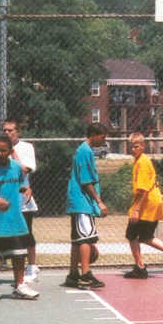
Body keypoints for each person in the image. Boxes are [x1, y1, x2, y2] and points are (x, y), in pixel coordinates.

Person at [0, 118, 41, 286]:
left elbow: (24, 171)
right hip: (0, 204)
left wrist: (13, 155)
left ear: (18, 132)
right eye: (4, 130)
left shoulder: (26, 148)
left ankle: (31, 268)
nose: (7, 133)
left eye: (11, 130)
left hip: (21, 201)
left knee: (25, 237)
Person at [123, 132, 163, 279]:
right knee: (145, 236)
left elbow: (144, 189)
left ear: (143, 146)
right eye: (131, 146)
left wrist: (136, 209)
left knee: (132, 234)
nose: (133, 149)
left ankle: (140, 267)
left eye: (136, 146)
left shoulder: (142, 162)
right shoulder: (140, 160)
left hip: (146, 203)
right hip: (151, 202)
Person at [61, 123, 108, 290]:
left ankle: (73, 275)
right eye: (102, 137)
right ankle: (85, 274)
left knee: (77, 240)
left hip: (79, 201)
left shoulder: (83, 150)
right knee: (86, 239)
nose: (104, 141)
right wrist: (99, 201)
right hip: (83, 202)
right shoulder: (85, 151)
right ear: (93, 134)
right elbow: (86, 180)